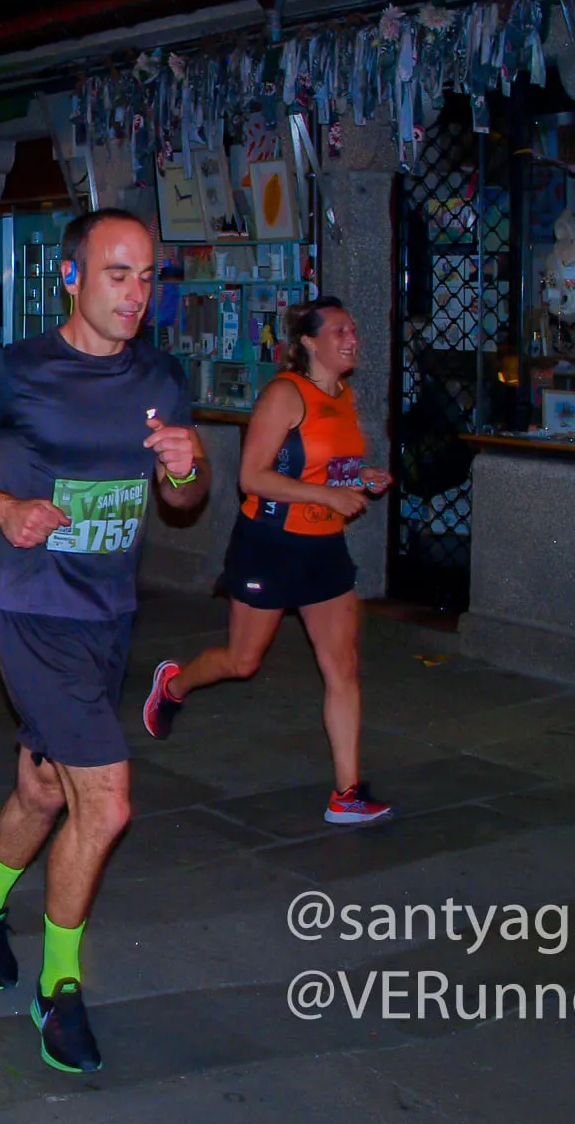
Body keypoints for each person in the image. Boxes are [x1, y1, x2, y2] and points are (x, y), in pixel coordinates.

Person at [0, 210, 206, 1074]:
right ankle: (59, 985)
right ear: (70, 277)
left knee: (44, 790)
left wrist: (187, 466)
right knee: (104, 804)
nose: (137, 294)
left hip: (110, 614)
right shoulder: (17, 371)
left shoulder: (161, 373)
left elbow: (183, 499)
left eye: (148, 276)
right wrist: (4, 508)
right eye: (118, 274)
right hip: (36, 614)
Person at [142, 295, 396, 826]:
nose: (352, 339)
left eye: (353, 330)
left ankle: (346, 793)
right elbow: (252, 477)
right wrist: (328, 497)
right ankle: (173, 685)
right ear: (309, 341)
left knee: (343, 668)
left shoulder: (342, 395)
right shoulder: (286, 394)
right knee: (243, 661)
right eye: (340, 331)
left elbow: (324, 468)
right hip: (271, 544)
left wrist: (360, 478)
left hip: (324, 548)